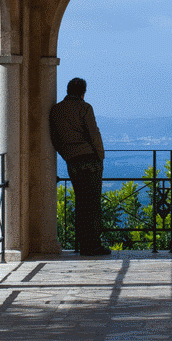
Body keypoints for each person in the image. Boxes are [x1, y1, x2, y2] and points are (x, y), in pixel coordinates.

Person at [49, 77, 110, 256]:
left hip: (73, 161)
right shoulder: (85, 108)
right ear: (83, 92)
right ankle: (93, 245)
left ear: (68, 90)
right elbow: (94, 133)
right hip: (90, 160)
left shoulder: (56, 110)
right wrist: (100, 156)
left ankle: (82, 243)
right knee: (92, 204)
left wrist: (67, 155)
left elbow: (55, 138)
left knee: (81, 203)